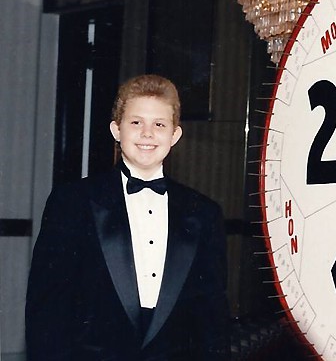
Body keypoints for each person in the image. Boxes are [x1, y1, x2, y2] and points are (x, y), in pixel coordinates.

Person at [25, 74, 230, 361]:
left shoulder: (204, 213)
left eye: (159, 124)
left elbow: (213, 319)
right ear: (116, 130)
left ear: (175, 135)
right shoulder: (72, 202)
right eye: (136, 122)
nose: (147, 134)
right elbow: (47, 311)